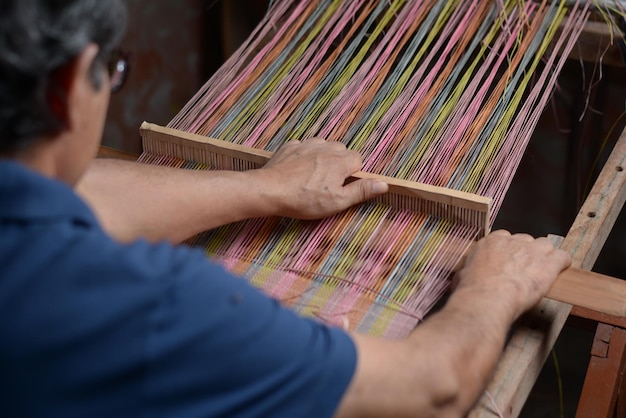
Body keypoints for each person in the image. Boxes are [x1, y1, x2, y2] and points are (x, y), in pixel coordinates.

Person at [0, 1, 571, 417]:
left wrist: (267, 187)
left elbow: (83, 193)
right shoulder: (154, 308)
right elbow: (431, 390)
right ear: (69, 87)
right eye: (113, 73)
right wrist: (491, 288)